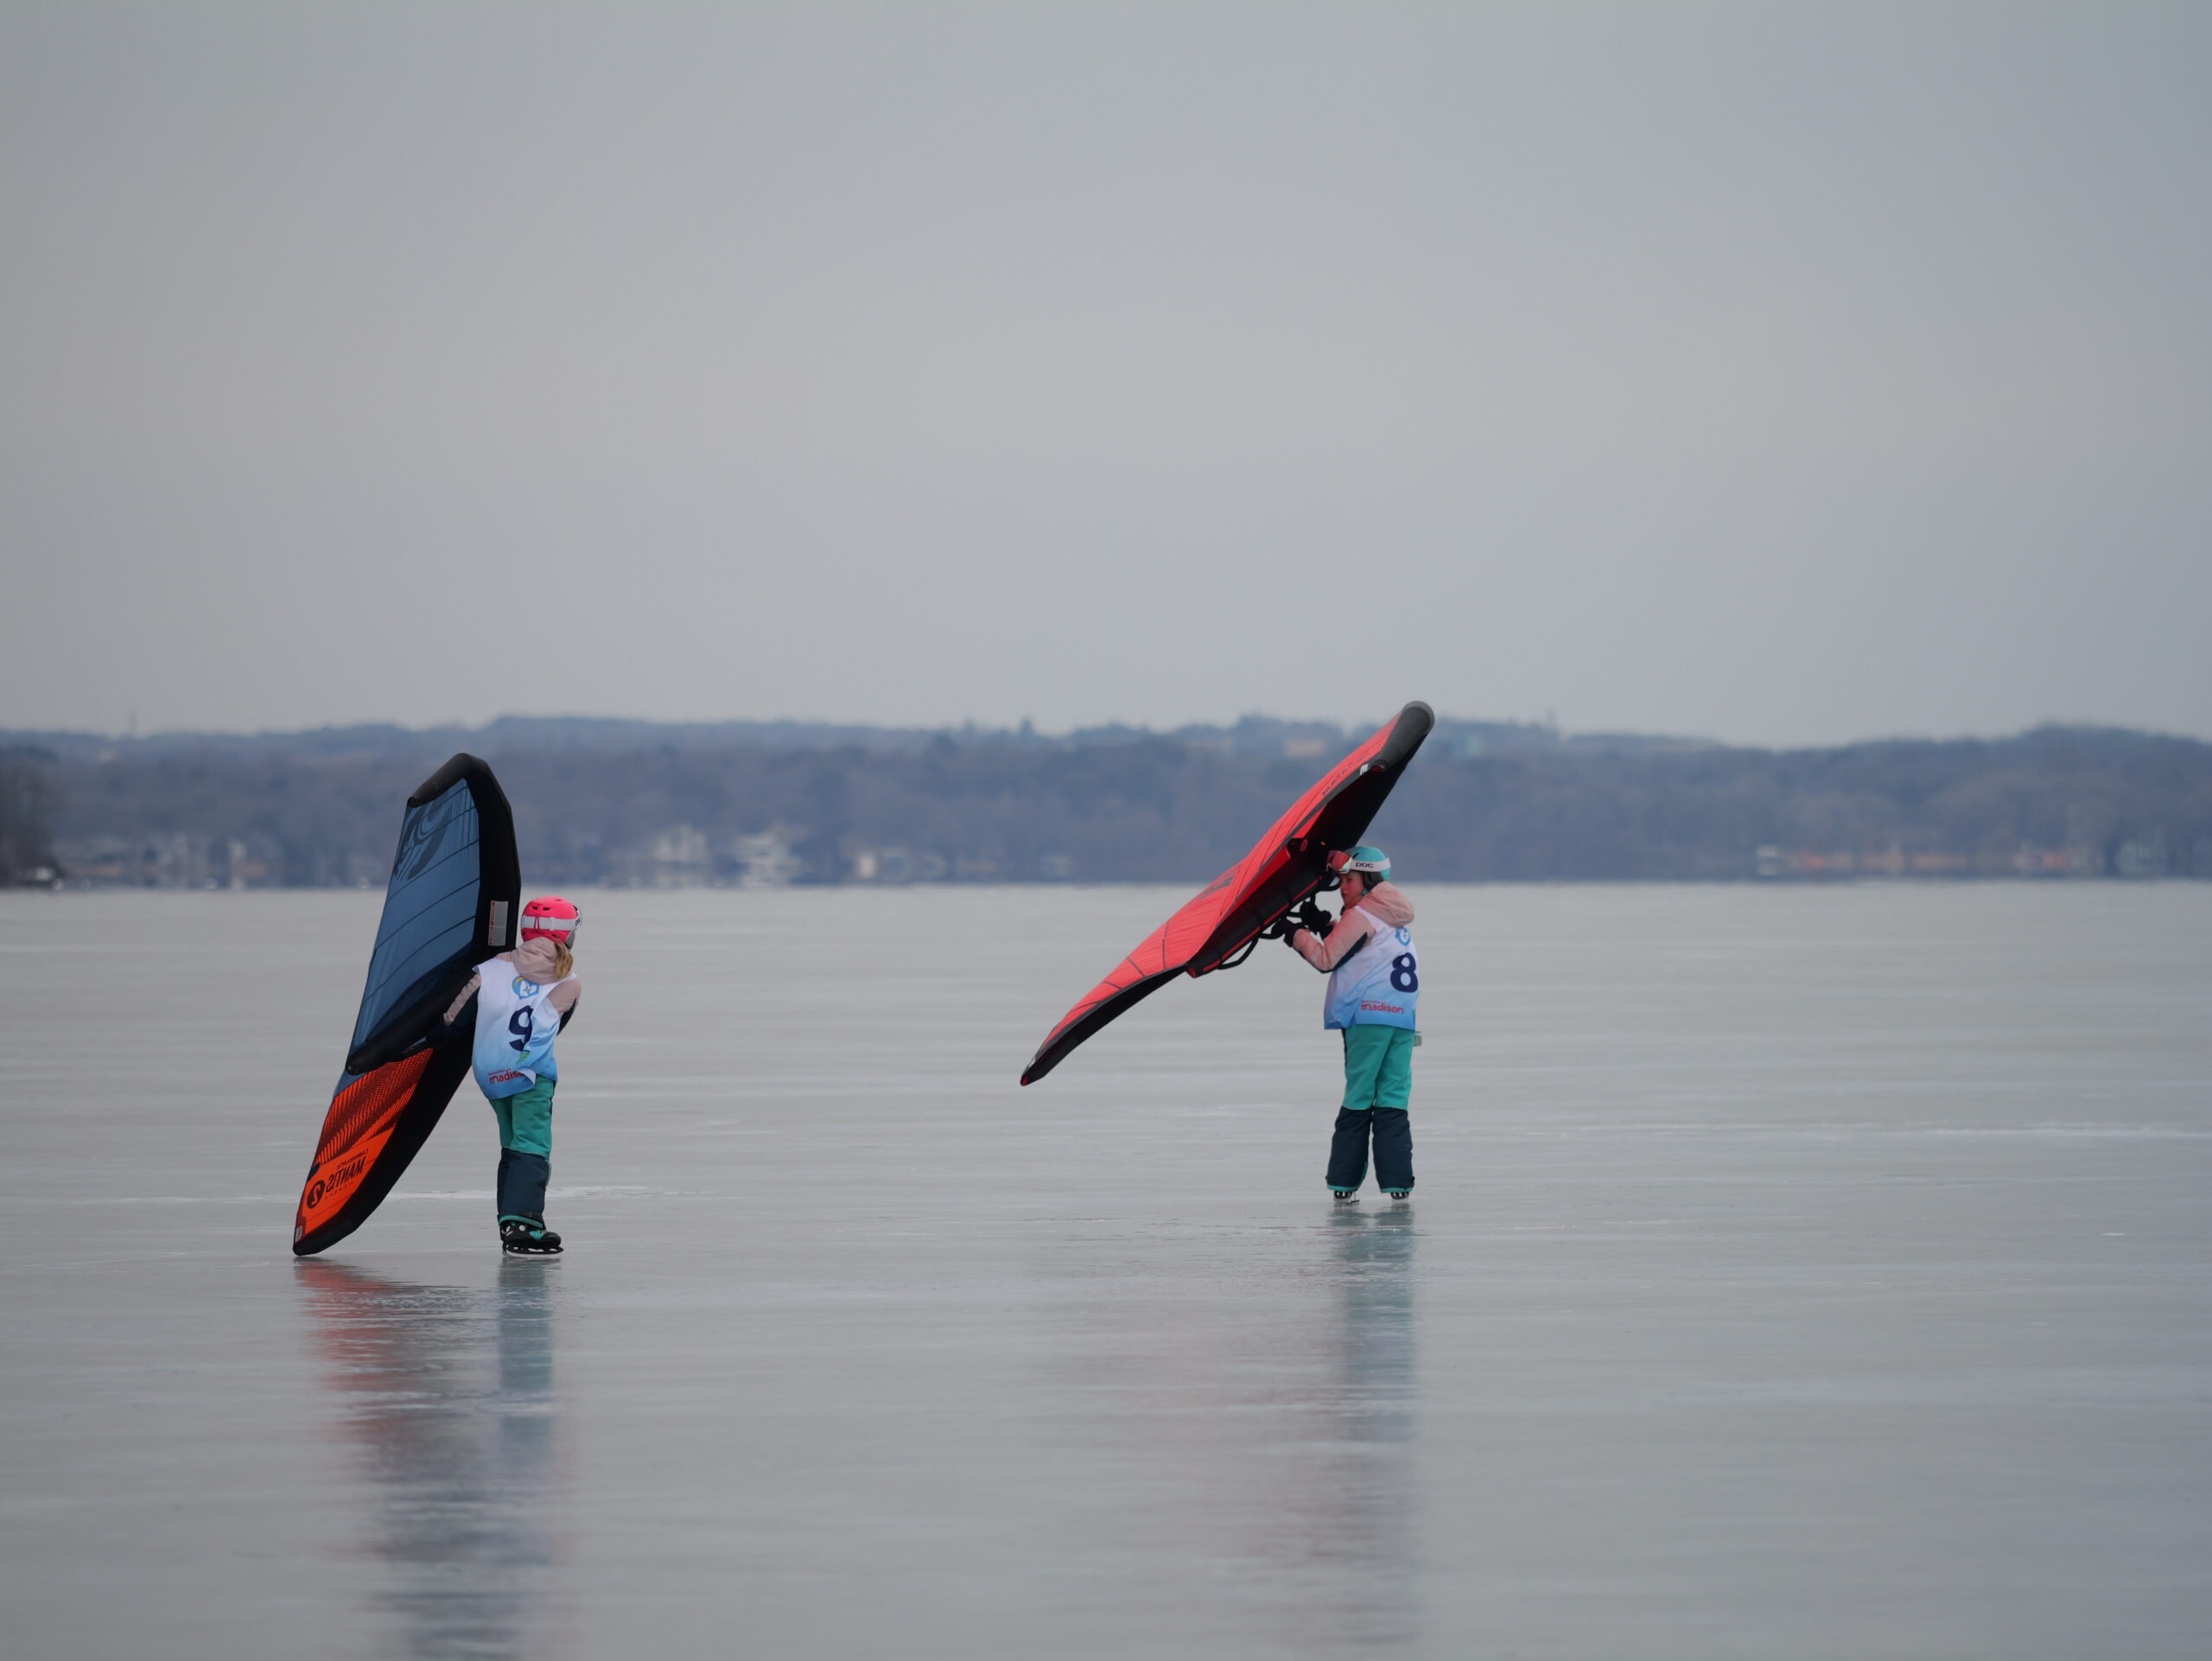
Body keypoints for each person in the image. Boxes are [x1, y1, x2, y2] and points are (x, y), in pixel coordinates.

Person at [444, 896, 583, 1253]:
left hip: (491, 1074)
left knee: (513, 1145)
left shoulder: (488, 970)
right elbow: (552, 1028)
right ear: (567, 936)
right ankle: (524, 1223)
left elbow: (453, 1020)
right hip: (530, 1075)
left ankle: (511, 1223)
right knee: (532, 1146)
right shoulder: (567, 982)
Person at [1284, 846, 1420, 1200]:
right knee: (1393, 1097)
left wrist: (1293, 934)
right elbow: (1358, 945)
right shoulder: (1389, 914)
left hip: (1368, 1018)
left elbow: (1328, 958)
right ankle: (1398, 1185)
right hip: (1402, 1018)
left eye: (1349, 879)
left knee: (1359, 1095)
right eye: (1341, 880)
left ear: (1368, 881)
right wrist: (1322, 924)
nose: (1342, 887)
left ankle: (1343, 1183)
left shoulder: (1361, 916)